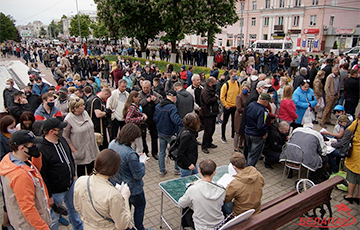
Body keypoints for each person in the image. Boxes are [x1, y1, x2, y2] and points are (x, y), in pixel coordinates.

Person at [35, 118, 83, 230]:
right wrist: (49, 196)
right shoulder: (41, 149)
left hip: (70, 184)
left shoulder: (61, 140)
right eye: (60, 128)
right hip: (55, 191)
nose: (63, 130)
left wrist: (73, 175)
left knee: (74, 211)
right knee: (53, 218)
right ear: (52, 131)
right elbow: (42, 174)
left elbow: (69, 157)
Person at [0, 130, 51, 230]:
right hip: (31, 226)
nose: (35, 147)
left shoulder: (11, 160)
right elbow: (28, 208)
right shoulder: (20, 175)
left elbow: (35, 173)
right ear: (22, 148)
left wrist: (36, 157)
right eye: (32, 145)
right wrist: (44, 228)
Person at [74, 149, 133, 230]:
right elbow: (122, 225)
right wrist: (125, 198)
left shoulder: (81, 180)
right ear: (115, 169)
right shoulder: (113, 194)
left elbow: (77, 207)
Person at [108, 123, 148, 230]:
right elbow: (138, 174)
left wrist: (135, 156)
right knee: (140, 206)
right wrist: (142, 163)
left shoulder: (112, 143)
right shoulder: (130, 154)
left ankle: (128, 226)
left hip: (117, 184)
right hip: (133, 189)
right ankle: (139, 227)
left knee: (125, 208)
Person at [178, 159, 225, 230]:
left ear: (199, 170)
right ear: (214, 172)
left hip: (201, 227)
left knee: (185, 209)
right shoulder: (222, 189)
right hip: (219, 224)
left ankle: (185, 227)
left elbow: (180, 204)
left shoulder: (193, 189)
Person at [63, 97, 99, 177]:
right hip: (79, 149)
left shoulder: (85, 113)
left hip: (91, 148)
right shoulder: (68, 119)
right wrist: (73, 149)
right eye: (81, 105)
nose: (84, 107)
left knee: (92, 172)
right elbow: (65, 136)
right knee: (81, 174)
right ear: (75, 108)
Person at [154, 90, 183, 177]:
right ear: (173, 97)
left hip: (160, 132)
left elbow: (155, 118)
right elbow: (176, 120)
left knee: (162, 152)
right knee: (176, 150)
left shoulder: (158, 106)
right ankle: (176, 169)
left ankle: (161, 171)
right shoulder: (172, 108)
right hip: (170, 133)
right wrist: (185, 121)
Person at [244, 93, 272, 166]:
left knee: (247, 151)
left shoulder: (251, 105)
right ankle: (249, 169)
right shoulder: (263, 111)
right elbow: (261, 125)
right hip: (256, 135)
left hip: (247, 132)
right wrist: (264, 133)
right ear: (265, 101)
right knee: (253, 155)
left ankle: (244, 166)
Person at [139, 80, 162, 159]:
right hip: (143, 119)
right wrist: (146, 101)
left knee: (154, 136)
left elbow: (161, 102)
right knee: (143, 136)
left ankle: (154, 152)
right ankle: (145, 151)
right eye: (144, 88)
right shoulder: (139, 94)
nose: (145, 89)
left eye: (147, 88)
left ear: (150, 87)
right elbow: (137, 104)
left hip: (153, 118)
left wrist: (155, 100)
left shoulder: (155, 94)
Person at [220, 69, 242, 143]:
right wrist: (226, 105)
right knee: (225, 122)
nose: (235, 76)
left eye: (236, 75)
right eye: (234, 75)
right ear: (230, 75)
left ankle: (233, 134)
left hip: (235, 106)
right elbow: (222, 97)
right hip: (228, 106)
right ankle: (223, 136)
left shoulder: (238, 84)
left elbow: (240, 95)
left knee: (234, 121)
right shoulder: (226, 85)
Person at [176, 113, 200, 177]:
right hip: (187, 166)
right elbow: (180, 153)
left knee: (196, 176)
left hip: (192, 162)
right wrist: (189, 164)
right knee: (185, 182)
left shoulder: (185, 130)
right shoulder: (187, 136)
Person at [343, 113, 360, 205]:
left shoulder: (357, 122)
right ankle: (358, 196)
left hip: (356, 153)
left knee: (353, 176)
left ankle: (350, 195)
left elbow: (348, 131)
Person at [200, 77, 219, 154]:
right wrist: (215, 98)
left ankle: (209, 143)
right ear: (210, 83)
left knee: (212, 129)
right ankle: (204, 146)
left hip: (213, 112)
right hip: (207, 113)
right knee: (208, 130)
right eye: (214, 83)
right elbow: (207, 101)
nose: (215, 84)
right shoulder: (205, 91)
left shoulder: (211, 89)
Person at [234, 82, 250, 152]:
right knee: (238, 131)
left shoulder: (248, 96)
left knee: (243, 131)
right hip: (239, 116)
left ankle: (241, 144)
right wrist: (247, 109)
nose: (245, 90)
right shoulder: (239, 96)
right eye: (243, 88)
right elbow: (239, 108)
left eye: (246, 88)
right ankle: (235, 147)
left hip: (245, 115)